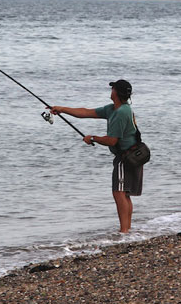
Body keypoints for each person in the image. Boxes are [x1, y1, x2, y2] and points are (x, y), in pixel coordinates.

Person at [50, 79, 141, 233]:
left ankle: (124, 231)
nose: (111, 91)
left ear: (116, 93)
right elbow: (85, 112)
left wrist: (92, 138)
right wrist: (61, 109)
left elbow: (112, 140)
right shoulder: (114, 109)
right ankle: (127, 229)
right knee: (124, 193)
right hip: (133, 154)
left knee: (119, 193)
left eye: (113, 89)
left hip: (126, 157)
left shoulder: (120, 113)